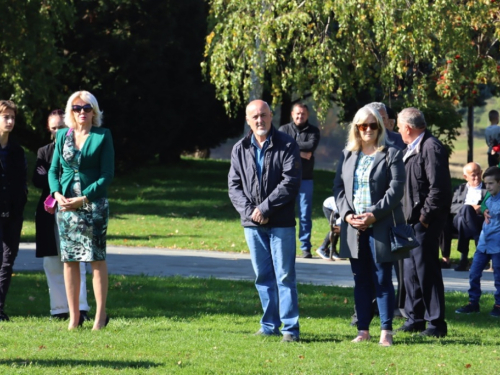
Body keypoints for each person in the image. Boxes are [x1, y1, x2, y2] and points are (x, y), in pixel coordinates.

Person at [333, 106, 408, 346]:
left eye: (372, 125)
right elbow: (338, 189)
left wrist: (373, 215)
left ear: (380, 126)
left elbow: (396, 191)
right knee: (361, 279)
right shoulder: (347, 154)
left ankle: (386, 330)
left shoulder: (392, 154)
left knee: (382, 279)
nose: (367, 130)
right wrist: (346, 216)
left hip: (381, 225)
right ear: (356, 128)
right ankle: (363, 329)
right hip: (354, 227)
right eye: (362, 126)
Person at [228, 99, 301, 342]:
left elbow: (290, 182)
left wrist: (265, 208)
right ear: (248, 121)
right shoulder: (240, 148)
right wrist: (251, 212)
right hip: (252, 224)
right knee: (263, 276)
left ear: (271, 116)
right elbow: (234, 186)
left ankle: (290, 329)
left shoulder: (287, 144)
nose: (260, 120)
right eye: (254, 117)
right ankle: (269, 325)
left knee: (284, 276)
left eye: (263, 115)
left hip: (280, 222)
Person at [49, 91, 114, 330]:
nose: (82, 112)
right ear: (71, 111)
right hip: (66, 206)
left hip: (93, 204)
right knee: (70, 260)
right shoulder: (62, 137)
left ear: (94, 111)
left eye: (87, 108)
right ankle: (74, 317)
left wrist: (83, 199)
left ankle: (99, 317)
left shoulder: (102, 136)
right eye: (77, 108)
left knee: (96, 259)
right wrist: (57, 195)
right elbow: (53, 170)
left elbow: (107, 175)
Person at [397, 107, 451, 338]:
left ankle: (436, 324)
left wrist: (425, 219)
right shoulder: (410, 148)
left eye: (399, 127)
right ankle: (414, 318)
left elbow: (438, 188)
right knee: (409, 272)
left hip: (422, 222)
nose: (398, 130)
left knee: (426, 270)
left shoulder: (431, 147)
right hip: (405, 221)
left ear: (407, 128)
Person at [32, 109, 90, 320]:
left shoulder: (80, 148)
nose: (58, 131)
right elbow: (38, 179)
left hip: (74, 208)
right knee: (52, 261)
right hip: (48, 212)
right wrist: (55, 178)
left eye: (62, 127)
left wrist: (55, 175)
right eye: (54, 128)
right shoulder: (44, 152)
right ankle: (59, 309)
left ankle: (81, 308)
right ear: (49, 130)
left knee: (76, 259)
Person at [455, 166, 500, 317]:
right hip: (483, 243)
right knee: (474, 273)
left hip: (497, 245)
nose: (487, 187)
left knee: (498, 277)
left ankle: (498, 305)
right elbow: (483, 206)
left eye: (491, 183)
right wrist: (484, 209)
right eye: (486, 184)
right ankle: (473, 302)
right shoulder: (489, 197)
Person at [278, 103, 320, 258]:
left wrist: (289, 147)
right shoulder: (283, 130)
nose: (299, 116)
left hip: (305, 180)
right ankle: (284, 246)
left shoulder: (313, 131)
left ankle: (305, 247)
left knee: (304, 215)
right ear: (292, 114)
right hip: (285, 180)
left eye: (302, 114)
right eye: (297, 114)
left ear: (307, 115)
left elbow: (311, 146)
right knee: (284, 213)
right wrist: (301, 151)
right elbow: (279, 149)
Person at [0, 100, 28, 322]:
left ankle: (0, 307)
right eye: (5, 117)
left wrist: (18, 207)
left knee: (8, 260)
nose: (10, 121)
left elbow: (21, 184)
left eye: (12, 117)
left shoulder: (17, 151)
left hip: (13, 215)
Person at [439, 162, 487, 271]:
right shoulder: (459, 189)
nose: (477, 177)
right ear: (465, 177)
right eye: (473, 175)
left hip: (479, 220)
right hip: (458, 220)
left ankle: (463, 260)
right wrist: (470, 207)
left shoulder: (487, 189)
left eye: (478, 174)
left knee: (463, 220)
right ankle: (478, 240)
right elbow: (452, 207)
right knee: (465, 209)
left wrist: (480, 208)